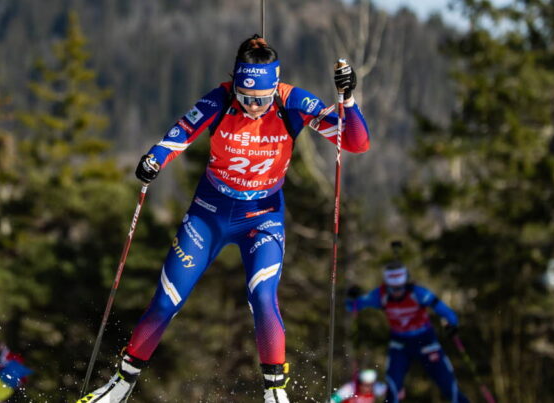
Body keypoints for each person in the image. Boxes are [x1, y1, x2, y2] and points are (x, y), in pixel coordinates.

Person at [78, 34, 370, 403]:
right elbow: (182, 131)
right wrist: (154, 159)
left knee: (263, 296)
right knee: (167, 301)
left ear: (275, 87)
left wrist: (347, 99)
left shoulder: (292, 102)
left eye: (261, 99)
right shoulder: (220, 100)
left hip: (262, 218)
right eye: (245, 98)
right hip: (209, 215)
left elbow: (355, 142)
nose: (253, 107)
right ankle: (119, 386)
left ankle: (275, 393)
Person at [346, 262, 469, 403]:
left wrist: (452, 324)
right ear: (387, 285)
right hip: (400, 344)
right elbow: (353, 306)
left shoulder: (418, 293)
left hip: (425, 341)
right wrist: (353, 297)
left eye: (400, 288)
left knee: (448, 385)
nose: (396, 292)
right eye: (393, 288)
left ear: (405, 283)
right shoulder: (381, 295)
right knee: (393, 387)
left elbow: (444, 310)